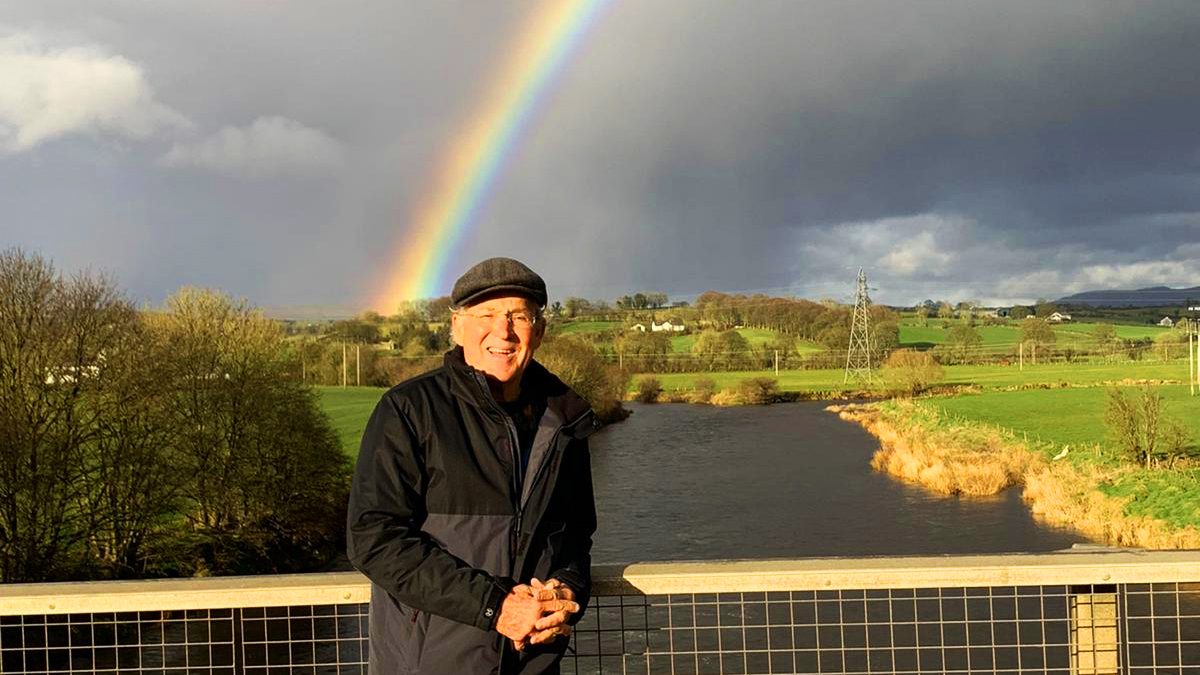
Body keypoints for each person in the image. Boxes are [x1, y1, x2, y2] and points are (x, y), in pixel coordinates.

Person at [347, 257, 599, 674]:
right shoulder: (409, 410)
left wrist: (567, 591)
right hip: (430, 664)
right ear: (457, 327)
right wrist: (495, 606)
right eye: (486, 314)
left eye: (519, 316)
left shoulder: (565, 421)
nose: (503, 330)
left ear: (539, 331)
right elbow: (374, 538)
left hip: (532, 663)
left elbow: (574, 536)